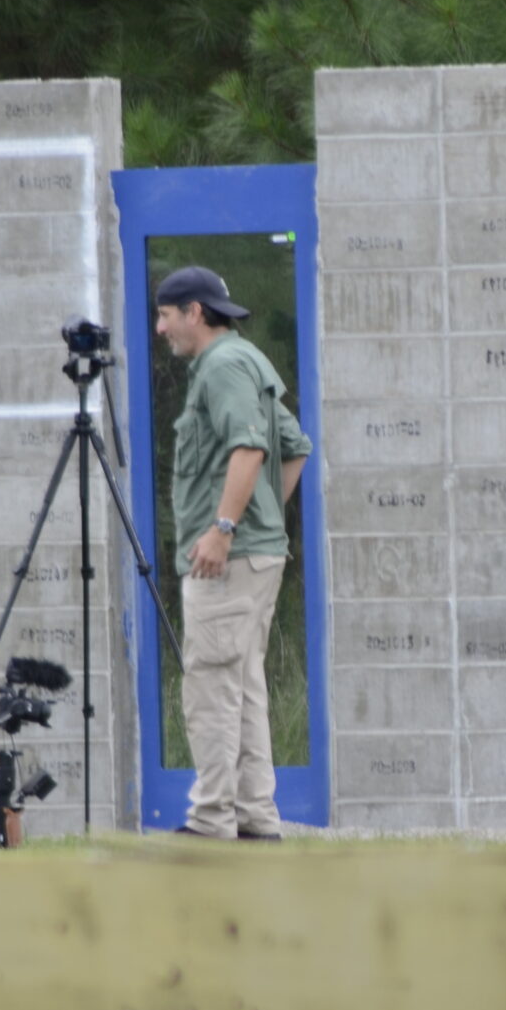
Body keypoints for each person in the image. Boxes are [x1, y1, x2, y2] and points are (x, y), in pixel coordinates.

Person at [152, 265, 311, 841]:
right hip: (252, 556)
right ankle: (254, 817)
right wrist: (258, 518)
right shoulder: (245, 360)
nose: (160, 328)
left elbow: (251, 449)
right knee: (241, 686)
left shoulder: (221, 366)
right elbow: (294, 446)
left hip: (229, 559)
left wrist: (226, 529)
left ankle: (212, 819)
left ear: (194, 312)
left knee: (212, 688)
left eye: (165, 315)